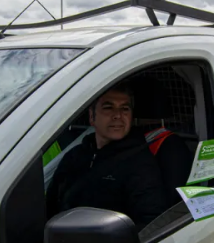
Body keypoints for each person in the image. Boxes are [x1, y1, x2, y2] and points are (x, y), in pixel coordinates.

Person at [45, 82, 168, 232]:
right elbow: (49, 208)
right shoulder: (74, 156)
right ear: (92, 116)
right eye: (108, 108)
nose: (118, 115)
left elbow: (150, 225)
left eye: (125, 109)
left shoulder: (140, 164)